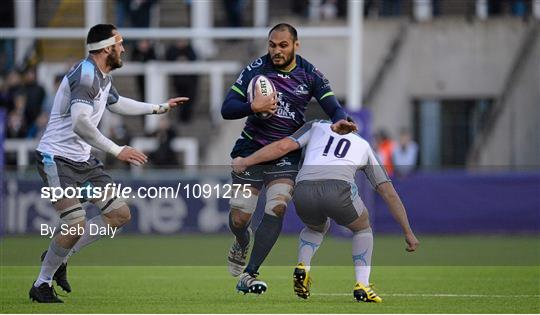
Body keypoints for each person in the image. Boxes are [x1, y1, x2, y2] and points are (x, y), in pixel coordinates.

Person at [29, 23, 188, 303]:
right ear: (106, 48)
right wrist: (117, 150)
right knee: (75, 223)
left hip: (82, 161)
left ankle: (61, 256)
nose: (123, 48)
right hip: (56, 159)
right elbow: (80, 123)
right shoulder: (87, 75)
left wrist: (158, 108)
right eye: (120, 43)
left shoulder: (101, 77)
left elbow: (116, 103)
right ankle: (41, 283)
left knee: (119, 215)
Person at [221, 23, 348, 295]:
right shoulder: (256, 69)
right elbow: (227, 108)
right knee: (240, 219)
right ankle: (241, 241)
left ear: (295, 45)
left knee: (277, 206)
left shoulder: (310, 74)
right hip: (250, 150)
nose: (276, 51)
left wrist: (340, 122)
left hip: (285, 155)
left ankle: (250, 273)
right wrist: (251, 107)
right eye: (272, 45)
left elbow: (333, 107)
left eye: (283, 45)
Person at [231, 119, 419, 302]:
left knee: (315, 228)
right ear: (353, 128)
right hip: (338, 189)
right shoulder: (363, 144)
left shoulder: (317, 126)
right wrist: (408, 232)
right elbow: (388, 193)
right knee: (363, 228)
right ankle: (363, 285)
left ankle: (303, 266)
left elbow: (282, 147)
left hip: (303, 188)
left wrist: (247, 161)